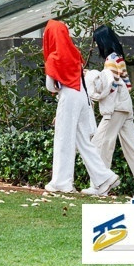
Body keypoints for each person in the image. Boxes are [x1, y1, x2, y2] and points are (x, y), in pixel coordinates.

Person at [43, 18, 120, 196]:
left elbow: (50, 86)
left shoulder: (54, 57)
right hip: (82, 96)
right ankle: (104, 178)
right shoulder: (74, 52)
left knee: (64, 138)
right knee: (83, 141)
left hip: (68, 96)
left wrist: (57, 86)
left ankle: (61, 182)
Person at [83, 24, 134, 199]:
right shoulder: (118, 57)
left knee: (100, 143)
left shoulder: (110, 60)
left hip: (115, 108)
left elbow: (110, 85)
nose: (96, 46)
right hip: (125, 107)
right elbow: (127, 85)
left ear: (102, 41)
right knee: (133, 149)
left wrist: (90, 76)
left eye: (96, 42)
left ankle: (100, 184)